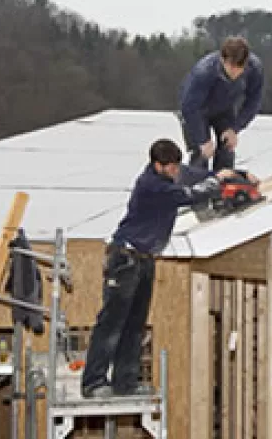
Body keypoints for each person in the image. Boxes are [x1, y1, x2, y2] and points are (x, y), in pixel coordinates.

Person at [81, 138, 235, 398]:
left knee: (135, 324)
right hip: (125, 257)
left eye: (177, 166)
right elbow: (191, 195)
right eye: (171, 168)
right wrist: (217, 183)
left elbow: (194, 175)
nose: (177, 171)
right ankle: (93, 382)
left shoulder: (171, 173)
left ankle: (124, 383)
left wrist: (233, 174)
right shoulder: (151, 185)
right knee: (112, 323)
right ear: (157, 165)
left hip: (144, 258)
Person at [178, 35, 264, 172]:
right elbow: (189, 107)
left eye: (240, 67)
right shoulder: (204, 72)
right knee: (201, 154)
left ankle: (223, 186)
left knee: (227, 149)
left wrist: (235, 128)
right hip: (196, 111)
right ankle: (196, 187)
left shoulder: (255, 69)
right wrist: (202, 139)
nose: (235, 72)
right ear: (222, 59)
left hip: (224, 110)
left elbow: (253, 101)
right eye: (231, 66)